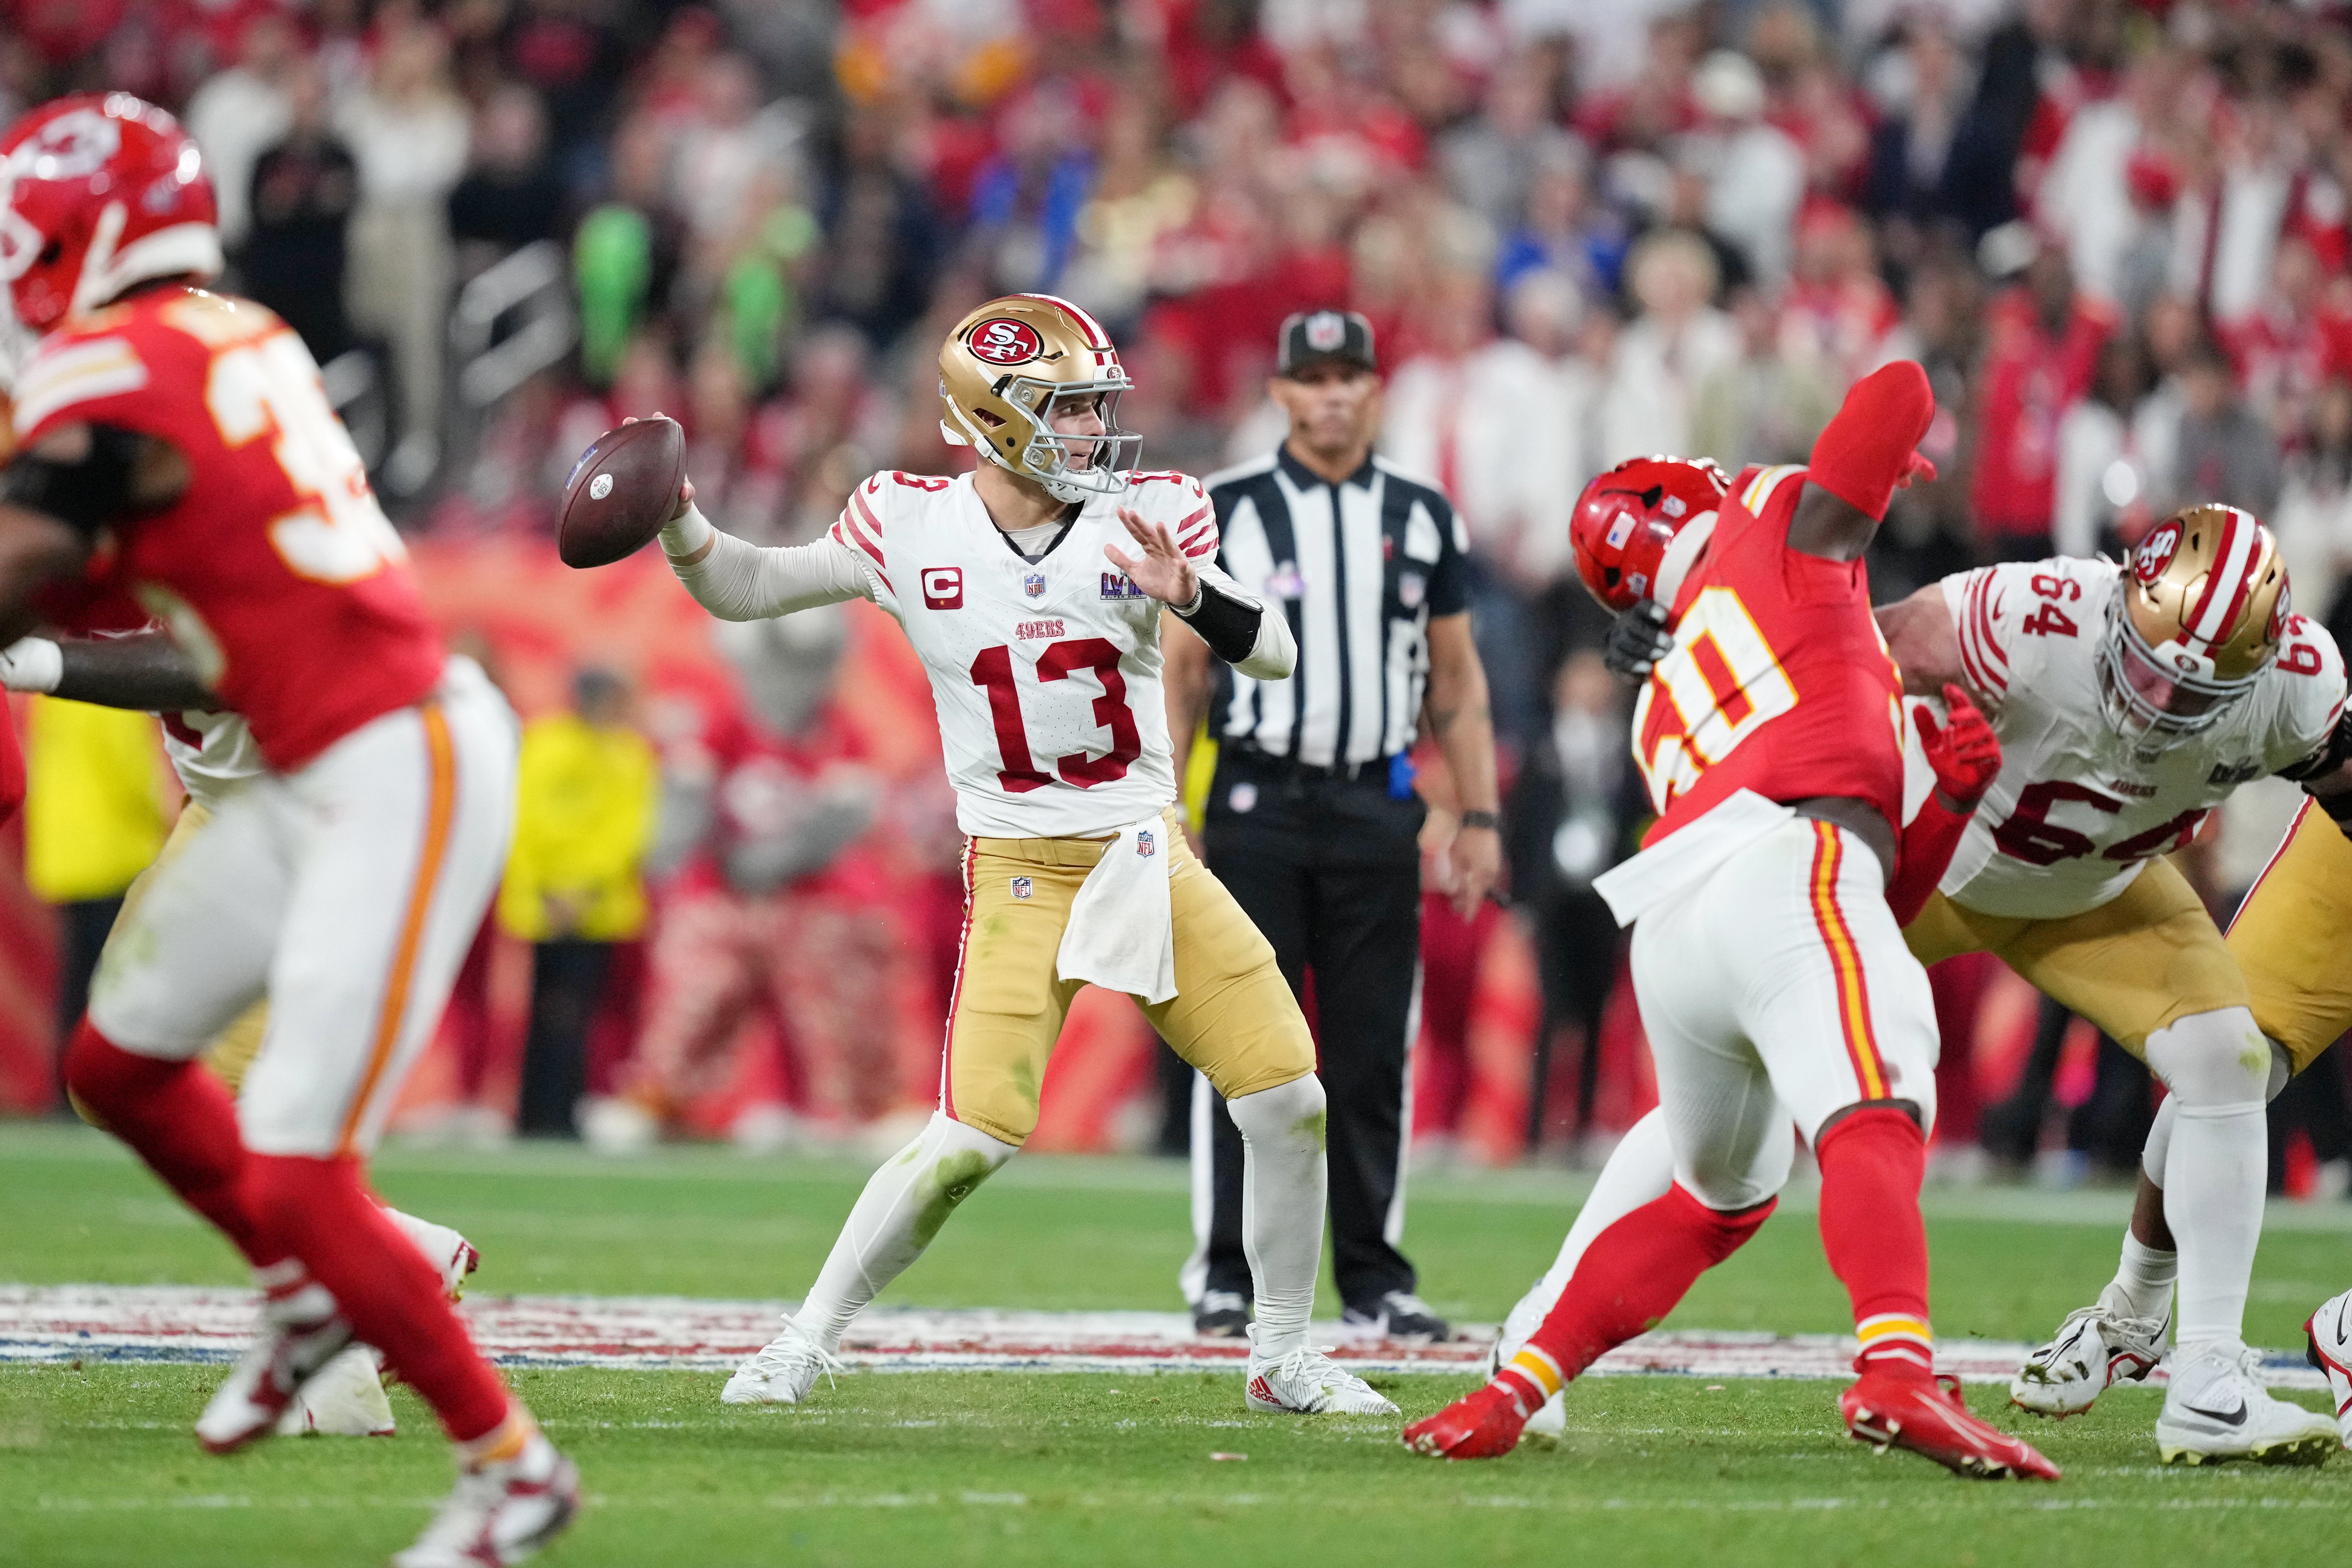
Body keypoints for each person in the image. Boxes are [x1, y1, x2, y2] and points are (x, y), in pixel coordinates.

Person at [642, 292, 1394, 1417]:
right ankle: (803, 1340)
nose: (1095, 430)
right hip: (1021, 869)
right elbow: (749, 585)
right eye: (1069, 409)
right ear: (994, 418)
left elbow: (1275, 650)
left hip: (1147, 857)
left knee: (1287, 1097)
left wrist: (1189, 593)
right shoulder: (907, 520)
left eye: (1098, 406)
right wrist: (681, 527)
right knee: (967, 1141)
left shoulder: (1152, 510)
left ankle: (1282, 1354)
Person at [0, 97, 573, 1566]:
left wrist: (32, 650)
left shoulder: (121, 364)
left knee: (294, 1152)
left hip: (378, 765)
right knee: (118, 1064)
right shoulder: (227, 341)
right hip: (296, 775)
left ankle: (507, 1463)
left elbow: (95, 588)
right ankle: (337, 1283)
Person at [1528, 499, 2345, 1466]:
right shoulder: (2026, 617)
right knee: (1732, 1094)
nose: (2156, 710)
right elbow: (1836, 654)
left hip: (2097, 888)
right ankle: (1537, 1327)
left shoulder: (2302, 685)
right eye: (2144, 670)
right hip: (1932, 857)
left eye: (2190, 698)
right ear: (2122, 597)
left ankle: (2208, 1379)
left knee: (2226, 1056)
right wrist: (1714, 656)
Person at [1404, 365, 2058, 1480]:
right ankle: (1897, 1367)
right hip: (1785, 869)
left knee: (1717, 1199)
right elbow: (1899, 386)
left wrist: (1941, 803)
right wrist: (1880, 461)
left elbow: (1873, 905)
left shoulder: (1663, 696)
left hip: (1683, 924)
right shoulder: (1768, 522)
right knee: (1877, 1100)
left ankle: (1514, 1387)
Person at [2, 626, 485, 1437]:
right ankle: (393, 1258)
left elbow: (222, 659)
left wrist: (35, 658)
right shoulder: (80, 532)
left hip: (326, 803)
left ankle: (368, 1356)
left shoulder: (203, 518)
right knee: (113, 1074)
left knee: (245, 1113)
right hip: (236, 808)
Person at [1164, 309, 1502, 1342]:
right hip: (1256, 804)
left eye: (1349, 374)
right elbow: (1181, 673)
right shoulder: (1223, 506)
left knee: (1368, 1052)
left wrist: (1481, 812)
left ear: (1376, 388)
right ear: (1278, 393)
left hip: (1375, 802)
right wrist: (1166, 808)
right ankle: (1224, 1271)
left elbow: (1456, 679)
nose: (1332, 394)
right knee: (1241, 1050)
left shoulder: (1424, 511)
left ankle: (1373, 1275)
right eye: (1309, 376)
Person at [498, 667, 658, 1139]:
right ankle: (534, 1114)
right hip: (552, 903)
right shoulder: (546, 744)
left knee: (580, 1015)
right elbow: (526, 818)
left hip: (595, 906)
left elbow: (628, 831)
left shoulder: (628, 753)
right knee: (547, 1010)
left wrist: (581, 886)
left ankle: (566, 1112)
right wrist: (556, 888)